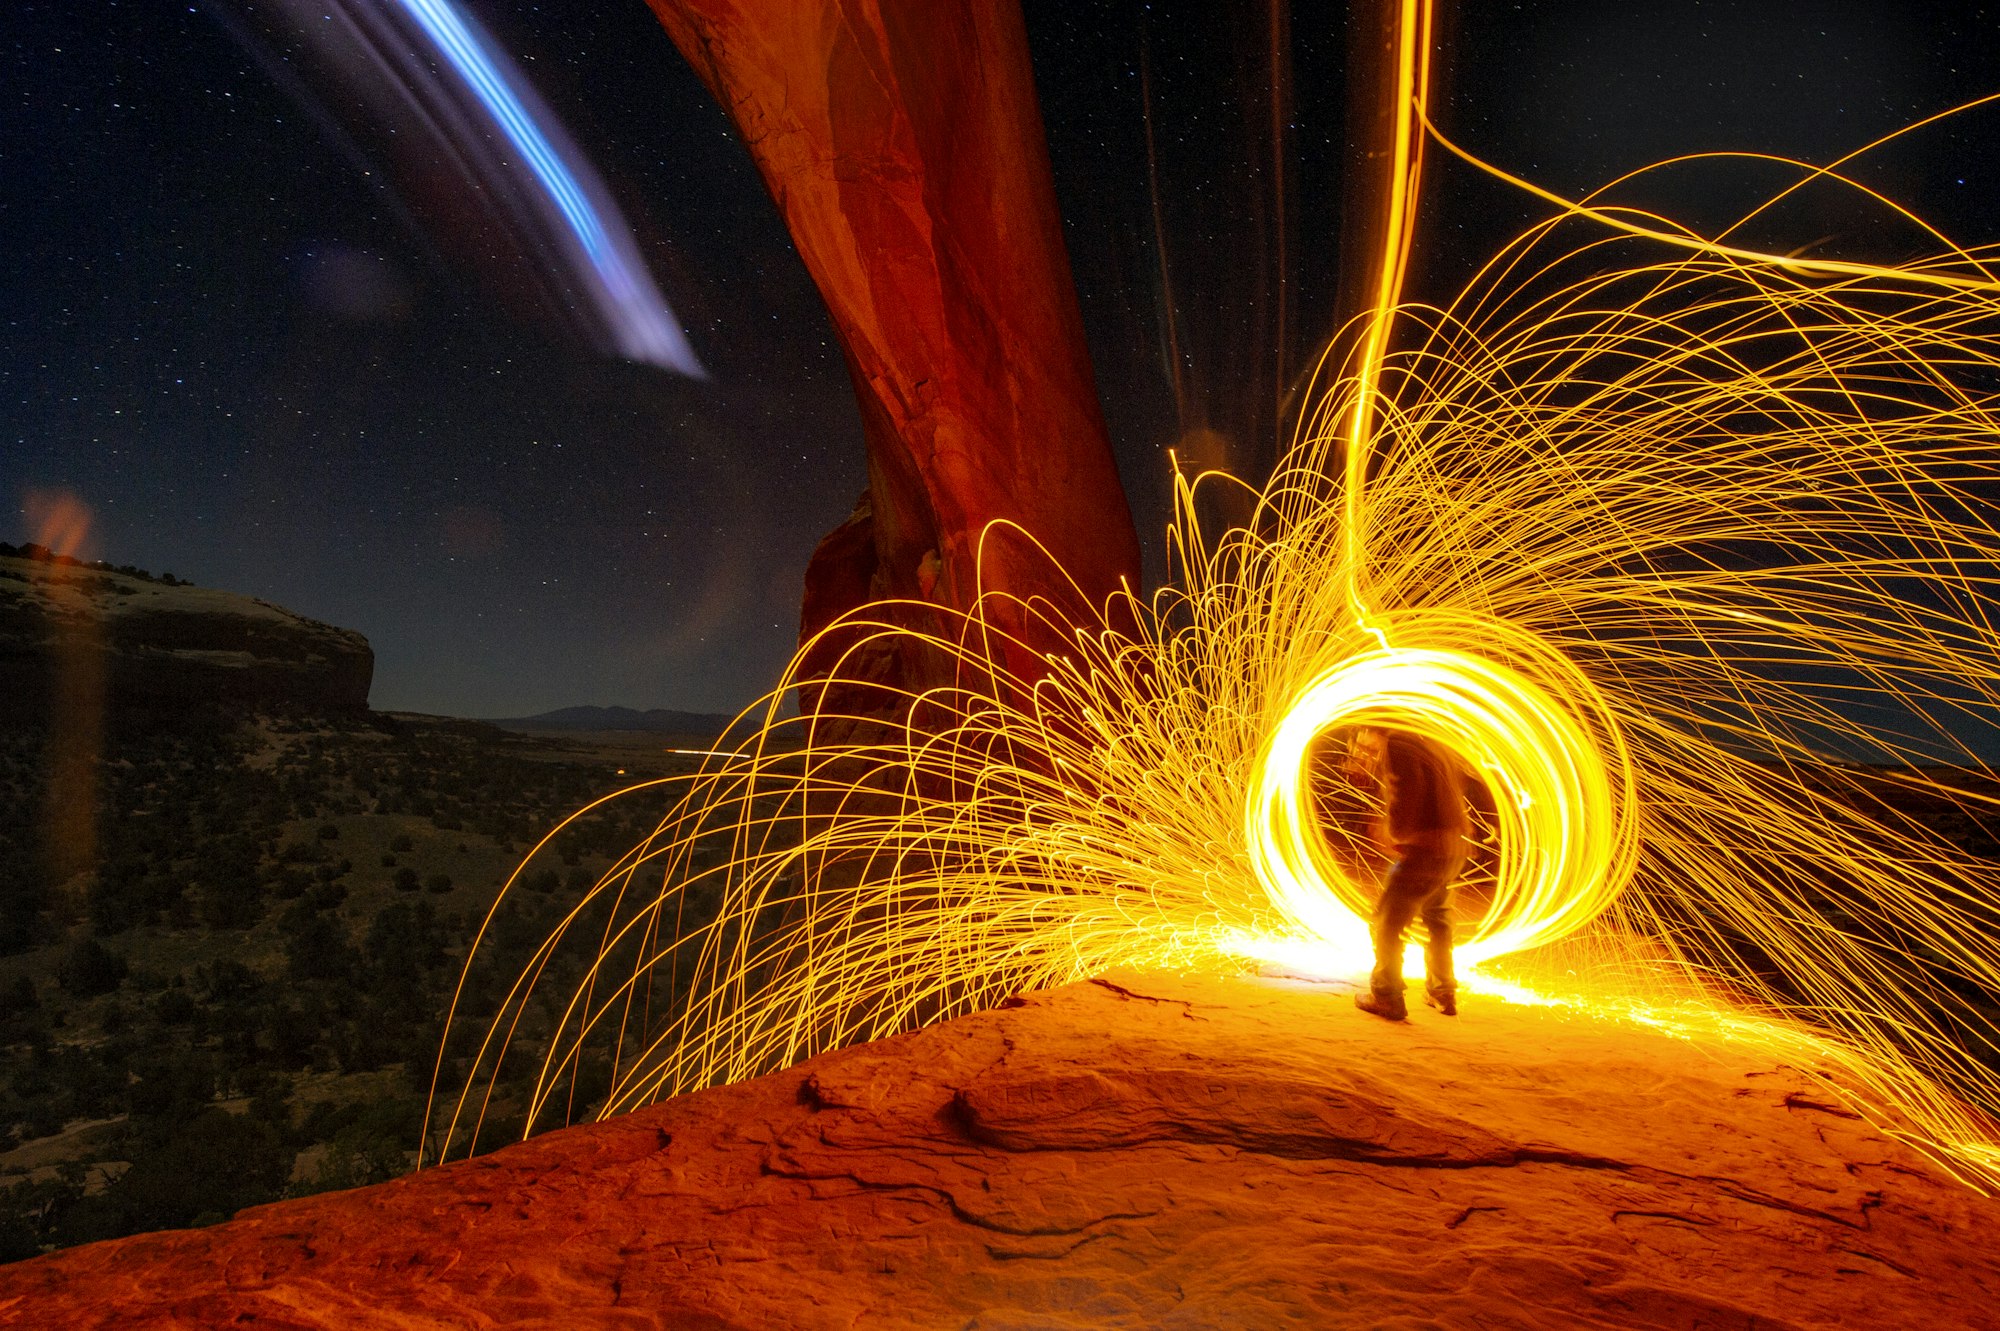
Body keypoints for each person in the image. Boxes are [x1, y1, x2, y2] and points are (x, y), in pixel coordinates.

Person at [1343, 726, 1469, 1021]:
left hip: (1424, 848)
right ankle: (1443, 991)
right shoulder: (1430, 740)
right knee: (1437, 919)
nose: (1361, 749)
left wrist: (1396, 833)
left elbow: (1405, 789)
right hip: (1453, 846)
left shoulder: (1399, 745)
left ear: (1370, 728)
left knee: (1386, 922)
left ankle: (1386, 996)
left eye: (1360, 739)